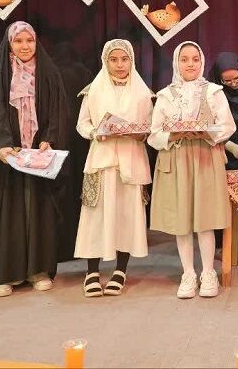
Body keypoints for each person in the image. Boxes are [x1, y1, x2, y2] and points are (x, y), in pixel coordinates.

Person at [0, 21, 70, 298]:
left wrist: (49, 138)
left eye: (29, 41)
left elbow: (58, 110)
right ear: (9, 44)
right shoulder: (0, 74)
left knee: (38, 212)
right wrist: (2, 144)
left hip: (38, 157)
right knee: (9, 214)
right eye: (18, 41)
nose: (25, 46)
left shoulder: (48, 73)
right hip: (8, 159)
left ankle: (38, 271)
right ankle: (6, 273)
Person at [149, 41, 235, 299]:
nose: (190, 64)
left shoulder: (214, 92)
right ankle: (188, 273)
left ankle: (208, 272)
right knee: (182, 220)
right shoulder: (165, 95)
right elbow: (154, 134)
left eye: (195, 59)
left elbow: (227, 126)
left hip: (205, 157)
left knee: (205, 219)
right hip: (177, 159)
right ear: (176, 62)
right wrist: (173, 135)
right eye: (184, 59)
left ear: (202, 62)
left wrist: (206, 133)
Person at [74, 39, 153, 297]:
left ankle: (120, 270)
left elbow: (151, 126)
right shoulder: (93, 90)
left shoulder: (143, 93)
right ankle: (92, 271)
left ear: (132, 61)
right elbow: (82, 123)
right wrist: (95, 133)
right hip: (102, 161)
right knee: (96, 216)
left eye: (124, 59)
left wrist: (140, 133)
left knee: (126, 215)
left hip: (131, 161)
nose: (120, 65)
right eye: (114, 60)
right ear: (105, 62)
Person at [209, 52, 238, 249]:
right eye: (226, 81)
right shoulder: (213, 95)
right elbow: (208, 125)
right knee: (222, 197)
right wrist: (228, 145)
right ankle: (221, 243)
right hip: (222, 147)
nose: (233, 83)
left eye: (237, 78)